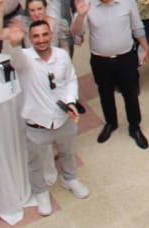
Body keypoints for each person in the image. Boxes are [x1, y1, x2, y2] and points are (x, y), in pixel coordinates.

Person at [6, 19, 89, 216]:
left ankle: (69, 178)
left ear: (51, 35)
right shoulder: (24, 58)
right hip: (37, 123)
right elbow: (15, 61)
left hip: (63, 118)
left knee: (67, 152)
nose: (41, 39)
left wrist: (70, 101)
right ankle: (40, 191)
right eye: (36, 36)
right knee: (35, 162)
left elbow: (70, 80)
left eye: (44, 35)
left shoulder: (61, 56)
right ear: (30, 38)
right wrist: (14, 45)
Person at [71, 0, 149, 149]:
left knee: (131, 94)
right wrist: (81, 15)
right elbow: (76, 32)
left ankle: (135, 127)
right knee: (105, 94)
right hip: (100, 60)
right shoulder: (86, 3)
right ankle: (111, 123)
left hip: (126, 58)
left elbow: (137, 26)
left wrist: (145, 47)